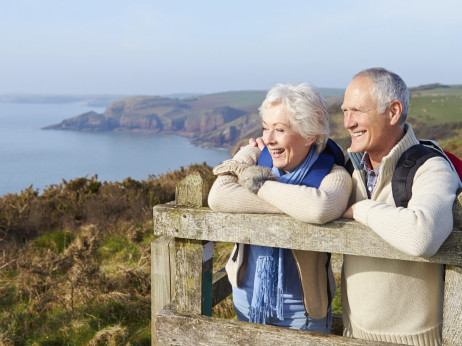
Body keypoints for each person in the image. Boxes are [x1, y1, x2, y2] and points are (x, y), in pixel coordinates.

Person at [208, 83, 352, 333]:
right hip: (247, 299)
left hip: (303, 311)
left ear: (311, 135)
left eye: (280, 130)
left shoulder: (333, 174)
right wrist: (248, 152)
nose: (269, 139)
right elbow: (219, 197)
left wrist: (256, 185)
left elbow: (319, 208)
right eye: (265, 128)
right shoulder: (258, 158)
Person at [340, 67, 461, 345]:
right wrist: (258, 152)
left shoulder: (431, 167)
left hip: (413, 340)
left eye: (357, 110)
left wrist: (361, 210)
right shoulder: (350, 166)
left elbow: (423, 236)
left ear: (393, 112)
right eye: (345, 111)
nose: (347, 122)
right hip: (351, 333)